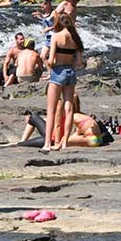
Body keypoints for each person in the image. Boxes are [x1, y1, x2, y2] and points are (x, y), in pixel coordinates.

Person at [42, 11, 84, 152]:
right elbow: (79, 62)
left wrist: (49, 67)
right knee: (69, 108)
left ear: (58, 22)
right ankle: (65, 142)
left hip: (58, 72)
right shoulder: (75, 38)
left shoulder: (55, 36)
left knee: (51, 109)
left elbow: (51, 58)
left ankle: (48, 143)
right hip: (70, 72)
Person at [19, 96, 112, 147]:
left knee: (61, 142)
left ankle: (22, 142)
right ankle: (23, 142)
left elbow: (58, 125)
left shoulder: (72, 116)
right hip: (97, 139)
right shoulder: (81, 116)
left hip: (92, 139)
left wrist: (59, 142)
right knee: (63, 141)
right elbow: (77, 133)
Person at [33, 0, 56, 64]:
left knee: (53, 58)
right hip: (47, 38)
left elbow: (57, 25)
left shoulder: (54, 13)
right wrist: (40, 17)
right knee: (42, 56)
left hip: (54, 37)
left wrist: (48, 29)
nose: (41, 6)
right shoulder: (45, 14)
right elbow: (46, 21)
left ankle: (53, 73)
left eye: (43, 4)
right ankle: (50, 72)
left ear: (48, 4)